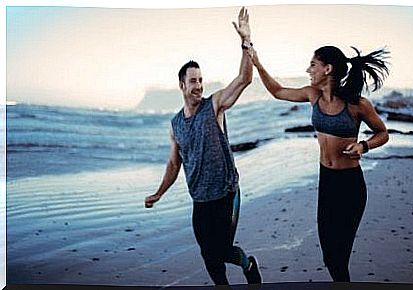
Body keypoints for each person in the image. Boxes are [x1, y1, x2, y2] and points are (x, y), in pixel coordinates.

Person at [247, 45, 390, 282]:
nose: (308, 70)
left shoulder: (357, 104)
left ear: (328, 69)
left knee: (339, 256)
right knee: (329, 256)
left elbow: (382, 133)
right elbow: (278, 91)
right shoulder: (312, 95)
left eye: (313, 65)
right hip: (327, 182)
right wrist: (257, 63)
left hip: (350, 186)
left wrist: (363, 146)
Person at [144, 7, 262, 288]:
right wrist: (159, 193)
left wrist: (246, 42)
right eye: (193, 81)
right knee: (209, 257)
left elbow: (244, 79)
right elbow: (174, 164)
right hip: (200, 199)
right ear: (182, 85)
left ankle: (249, 264)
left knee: (220, 250)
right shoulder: (175, 125)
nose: (198, 86)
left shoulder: (214, 106)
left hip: (225, 193)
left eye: (200, 80)